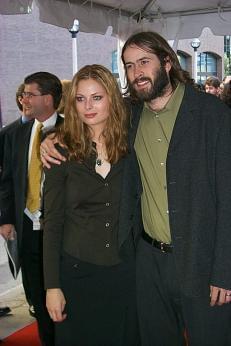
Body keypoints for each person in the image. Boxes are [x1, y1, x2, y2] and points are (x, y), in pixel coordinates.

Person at [42, 32, 231, 346]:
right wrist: (53, 135)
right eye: (129, 66)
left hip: (202, 262)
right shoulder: (132, 117)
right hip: (147, 263)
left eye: (144, 62)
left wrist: (225, 269)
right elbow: (91, 122)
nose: (136, 73)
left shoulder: (213, 115)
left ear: (168, 62)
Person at [42, 64, 140, 346]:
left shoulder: (132, 143)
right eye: (80, 98)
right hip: (77, 273)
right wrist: (52, 286)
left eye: (97, 97)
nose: (88, 106)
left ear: (112, 98)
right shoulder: (61, 149)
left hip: (127, 273)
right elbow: (53, 223)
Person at [0, 71, 63, 346]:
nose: (23, 99)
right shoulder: (15, 133)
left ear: (48, 99)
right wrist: (5, 218)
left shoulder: (72, 129)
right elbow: (8, 180)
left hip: (60, 229)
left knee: (61, 291)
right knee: (36, 295)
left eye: (29, 94)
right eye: (23, 94)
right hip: (26, 226)